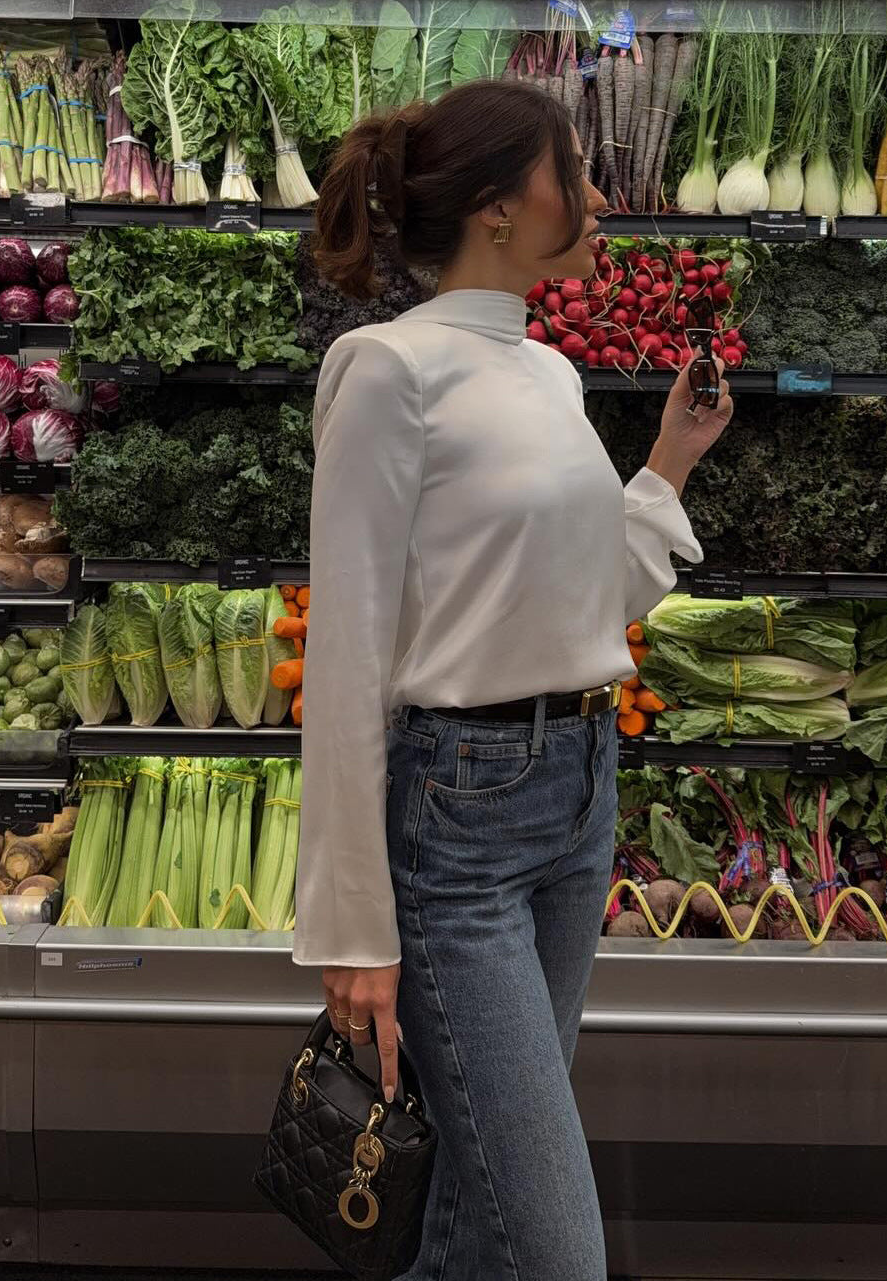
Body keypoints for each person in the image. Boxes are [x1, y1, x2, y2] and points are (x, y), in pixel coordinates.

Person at [292, 79, 733, 1281]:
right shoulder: (385, 371)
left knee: (476, 1214)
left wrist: (667, 469)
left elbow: (586, 601)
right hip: (460, 821)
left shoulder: (548, 375)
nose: (596, 196)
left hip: (581, 794)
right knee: (553, 1245)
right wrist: (351, 926)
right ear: (496, 206)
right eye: (572, 172)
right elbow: (346, 657)